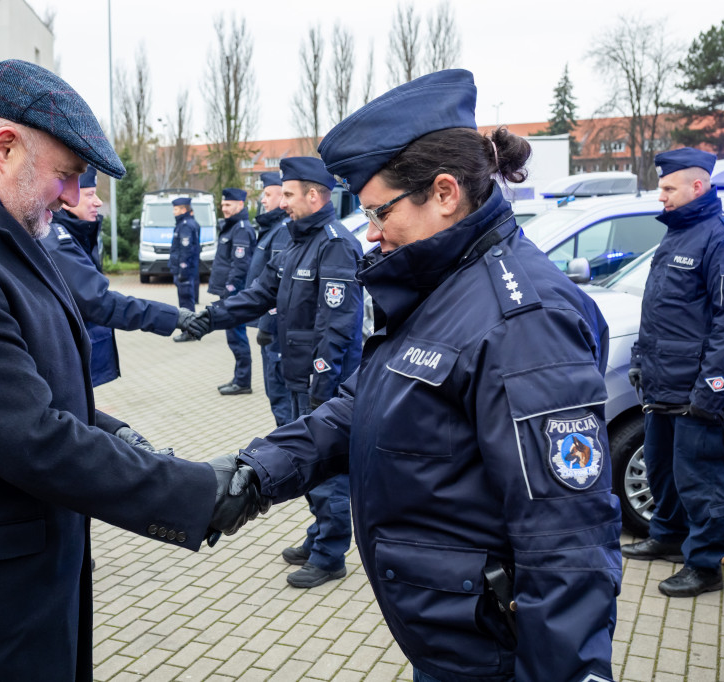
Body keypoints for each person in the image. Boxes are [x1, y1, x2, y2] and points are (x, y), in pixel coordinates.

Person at [0, 59, 257, 680]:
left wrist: (114, 435)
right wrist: (195, 492)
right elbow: (27, 435)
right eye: (66, 175)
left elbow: (20, 383)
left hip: (1, 596)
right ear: (4, 147)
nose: (70, 195)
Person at [206, 70, 622, 681]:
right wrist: (253, 474)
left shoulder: (522, 322)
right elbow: (362, 404)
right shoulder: (442, 283)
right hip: (450, 642)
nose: (370, 231)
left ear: (446, 192)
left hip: (495, 657)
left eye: (379, 211)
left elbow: (566, 545)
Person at [190, 157, 363, 588]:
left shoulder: (335, 244)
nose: (280, 202)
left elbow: (337, 325)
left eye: (288, 194)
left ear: (314, 195)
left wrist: (323, 389)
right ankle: (320, 533)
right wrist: (211, 317)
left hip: (321, 383)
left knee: (327, 468)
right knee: (305, 462)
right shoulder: (291, 239)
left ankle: (330, 554)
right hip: (293, 375)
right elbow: (258, 295)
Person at [621, 147, 724, 598]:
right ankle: (667, 536)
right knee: (662, 468)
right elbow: (657, 310)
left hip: (698, 389)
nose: (659, 196)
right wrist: (641, 359)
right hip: (664, 384)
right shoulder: (678, 234)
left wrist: (713, 389)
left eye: (667, 188)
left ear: (696, 186)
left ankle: (704, 565)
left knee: (699, 479)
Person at [42, 167, 197, 386]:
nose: (97, 202)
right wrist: (173, 316)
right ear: (66, 198)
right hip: (64, 365)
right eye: (89, 194)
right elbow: (98, 301)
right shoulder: (57, 240)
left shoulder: (72, 234)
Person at [247, 171, 293, 426]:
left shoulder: (282, 231)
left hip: (276, 331)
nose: (263, 200)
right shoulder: (272, 228)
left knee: (280, 395)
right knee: (275, 393)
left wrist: (267, 323)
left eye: (268, 194)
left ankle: (287, 455)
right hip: (272, 329)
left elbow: (280, 286)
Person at [207, 187, 256, 395]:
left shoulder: (241, 229)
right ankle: (239, 377)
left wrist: (229, 290)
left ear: (240, 205)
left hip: (234, 292)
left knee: (237, 336)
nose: (224, 208)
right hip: (229, 291)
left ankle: (243, 381)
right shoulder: (232, 226)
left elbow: (240, 265)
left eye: (228, 205)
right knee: (233, 336)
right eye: (223, 205)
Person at [169, 196, 201, 341]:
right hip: (186, 270)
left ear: (183, 209)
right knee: (187, 300)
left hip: (185, 271)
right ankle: (190, 330)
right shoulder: (185, 223)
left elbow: (186, 250)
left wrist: (182, 270)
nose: (174, 212)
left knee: (186, 302)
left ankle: (190, 332)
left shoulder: (186, 225)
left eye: (176, 209)